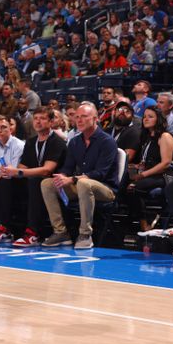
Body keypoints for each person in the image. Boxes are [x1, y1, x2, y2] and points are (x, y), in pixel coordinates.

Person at [40, 103, 119, 250]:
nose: (80, 120)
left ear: (95, 119)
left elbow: (101, 173)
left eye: (84, 116)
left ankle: (85, 234)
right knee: (47, 183)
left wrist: (72, 179)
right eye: (77, 117)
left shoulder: (107, 141)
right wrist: (62, 176)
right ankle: (60, 232)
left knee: (83, 183)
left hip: (106, 189)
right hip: (81, 186)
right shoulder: (75, 141)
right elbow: (68, 168)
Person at [0, 107, 68, 247]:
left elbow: (46, 170)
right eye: (36, 118)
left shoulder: (57, 142)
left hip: (54, 184)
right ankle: (4, 228)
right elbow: (23, 167)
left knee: (35, 180)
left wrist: (19, 172)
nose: (38, 122)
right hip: (33, 182)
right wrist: (10, 172)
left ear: (51, 122)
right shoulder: (31, 142)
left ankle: (33, 233)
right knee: (4, 181)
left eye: (42, 118)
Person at [127, 107, 173, 232]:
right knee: (123, 183)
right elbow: (148, 160)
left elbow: (165, 163)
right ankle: (136, 221)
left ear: (158, 119)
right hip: (150, 174)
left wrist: (143, 174)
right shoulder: (147, 137)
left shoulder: (165, 136)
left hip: (164, 176)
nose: (146, 119)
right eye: (144, 116)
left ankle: (147, 219)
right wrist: (137, 167)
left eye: (150, 116)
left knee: (134, 187)